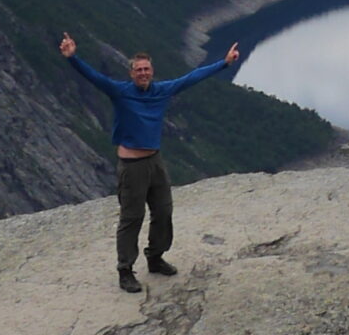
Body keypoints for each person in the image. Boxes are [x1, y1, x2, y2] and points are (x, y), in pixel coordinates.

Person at [59, 32, 243, 291]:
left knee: (164, 211)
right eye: (138, 70)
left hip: (155, 162)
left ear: (152, 71)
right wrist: (72, 58)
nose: (143, 73)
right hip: (132, 166)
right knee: (132, 218)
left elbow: (191, 78)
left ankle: (155, 257)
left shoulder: (162, 90)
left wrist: (224, 63)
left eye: (146, 69)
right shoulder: (120, 92)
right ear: (131, 73)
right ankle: (125, 270)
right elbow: (94, 77)